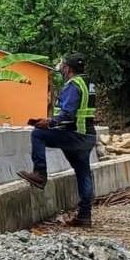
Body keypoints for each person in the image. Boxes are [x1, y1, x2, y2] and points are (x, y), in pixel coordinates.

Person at [18, 53, 97, 227]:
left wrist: (50, 123)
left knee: (38, 134)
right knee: (83, 173)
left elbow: (68, 114)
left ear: (68, 69)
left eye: (64, 66)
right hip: (88, 136)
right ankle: (85, 215)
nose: (62, 69)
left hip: (75, 135)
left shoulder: (73, 85)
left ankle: (40, 174)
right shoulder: (88, 83)